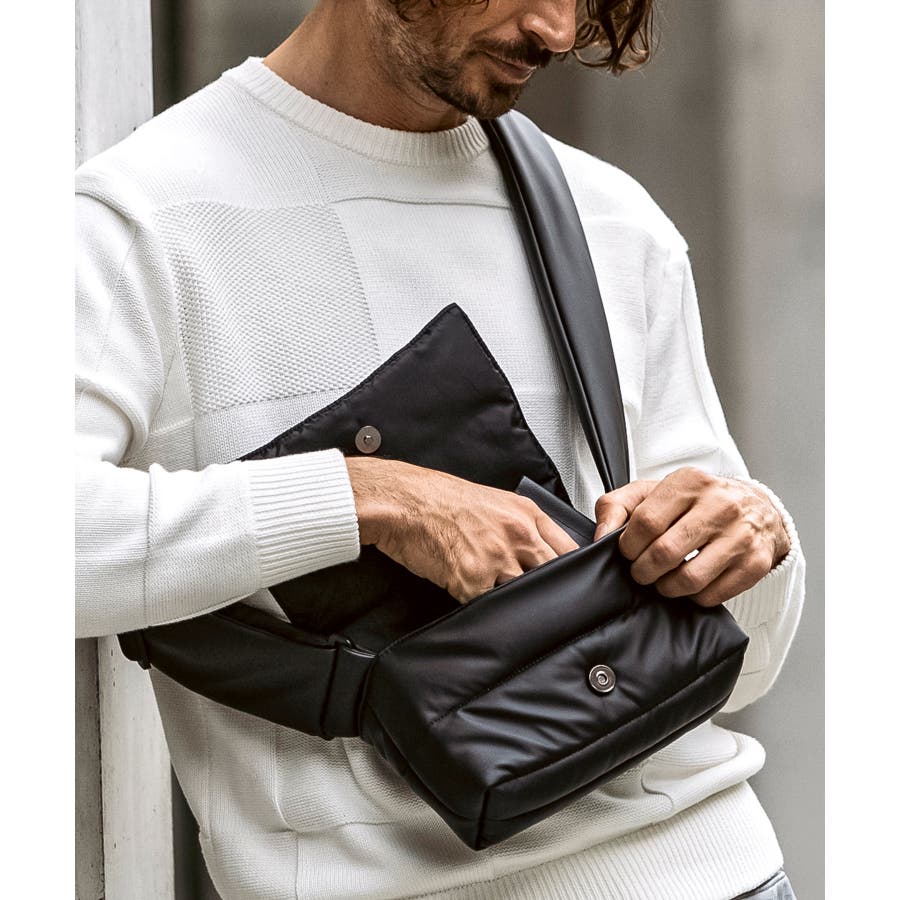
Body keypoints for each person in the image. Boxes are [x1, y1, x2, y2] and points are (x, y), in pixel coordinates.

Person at [75, 1, 805, 898]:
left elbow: (743, 667)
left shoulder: (609, 220)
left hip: (711, 872)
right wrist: (370, 498)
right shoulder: (140, 218)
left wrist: (754, 536)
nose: (559, 30)